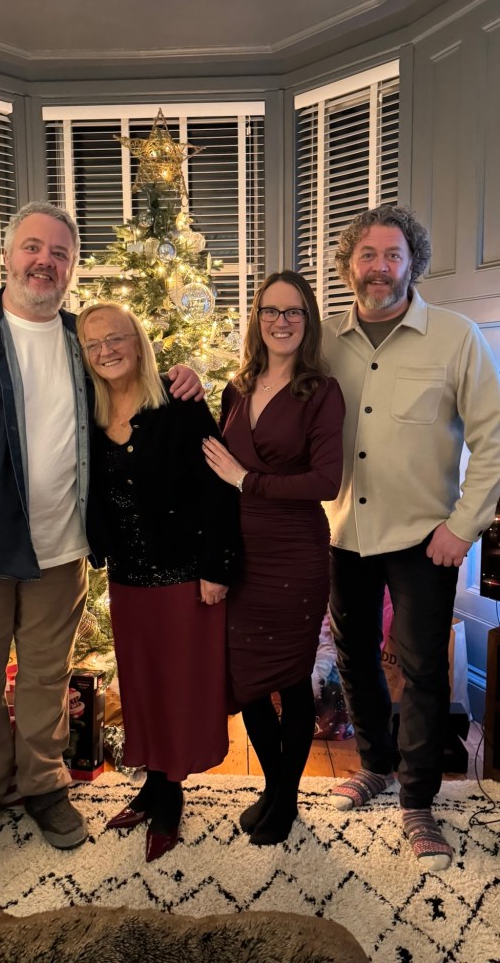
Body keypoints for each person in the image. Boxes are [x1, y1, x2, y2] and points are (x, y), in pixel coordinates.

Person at [0, 201, 201, 860]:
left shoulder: (84, 340)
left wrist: (181, 376)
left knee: (46, 679)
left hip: (63, 550)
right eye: (33, 247)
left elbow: (134, 382)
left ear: (73, 267)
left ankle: (44, 786)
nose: (44, 261)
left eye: (60, 253)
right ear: (7, 255)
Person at [322, 203, 500, 872]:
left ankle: (417, 799)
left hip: (427, 539)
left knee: (423, 668)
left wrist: (463, 526)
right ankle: (374, 766)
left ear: (411, 263)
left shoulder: (455, 337)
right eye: (366, 255)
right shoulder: (322, 341)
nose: (378, 267)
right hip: (342, 531)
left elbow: (493, 439)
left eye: (391, 255)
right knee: (353, 657)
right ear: (348, 267)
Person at [80, 301, 241, 863]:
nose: (106, 351)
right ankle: (152, 784)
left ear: (138, 341)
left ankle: (170, 795)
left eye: (115, 338)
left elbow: (219, 487)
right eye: (93, 344)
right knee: (143, 685)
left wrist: (217, 568)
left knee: (179, 687)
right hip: (127, 577)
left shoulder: (179, 402)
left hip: (183, 576)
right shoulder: (87, 407)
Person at [203, 270, 345, 845]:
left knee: (290, 678)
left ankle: (285, 801)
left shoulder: (321, 391)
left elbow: (326, 481)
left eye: (292, 312)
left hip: (294, 554)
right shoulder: (236, 390)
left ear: (307, 321)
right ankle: (272, 787)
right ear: (256, 319)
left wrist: (247, 479)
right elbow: (214, 475)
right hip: (241, 553)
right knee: (250, 681)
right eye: (270, 310)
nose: (280, 321)